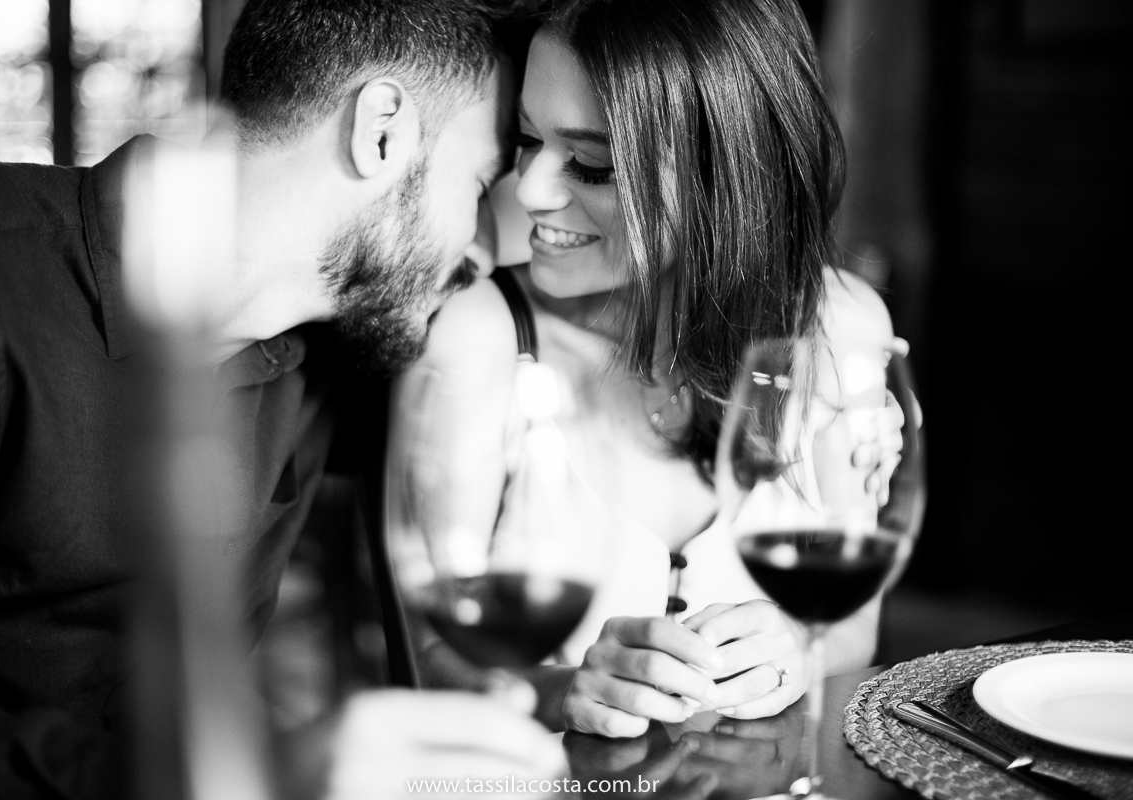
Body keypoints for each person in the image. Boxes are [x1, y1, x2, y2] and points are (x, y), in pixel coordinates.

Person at [0, 1, 565, 797]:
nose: (480, 244)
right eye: (479, 184)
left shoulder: (340, 348)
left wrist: (565, 690)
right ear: (380, 133)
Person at [387, 0, 905, 738]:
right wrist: (560, 690)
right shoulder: (483, 337)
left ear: (723, 175)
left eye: (592, 164)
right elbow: (429, 654)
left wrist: (798, 646)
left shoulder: (839, 330)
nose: (531, 189)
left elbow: (854, 628)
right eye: (526, 140)